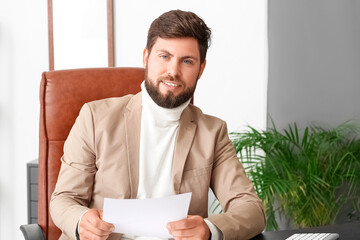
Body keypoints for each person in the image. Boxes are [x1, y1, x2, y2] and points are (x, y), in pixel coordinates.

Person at [50, 9, 266, 240]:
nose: (173, 71)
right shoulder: (95, 118)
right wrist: (82, 221)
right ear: (146, 57)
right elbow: (64, 199)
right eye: (164, 56)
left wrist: (210, 229)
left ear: (201, 69)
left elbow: (251, 209)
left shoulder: (212, 132)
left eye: (187, 61)